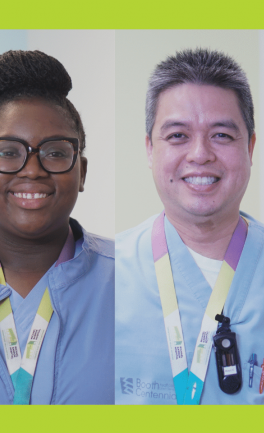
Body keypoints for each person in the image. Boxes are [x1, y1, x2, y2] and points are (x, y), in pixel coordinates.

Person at [0, 50, 115, 404]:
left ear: (81, 170)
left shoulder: (133, 280)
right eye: (8, 152)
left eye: (54, 152)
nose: (32, 170)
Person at [115, 48, 264, 404]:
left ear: (250, 147)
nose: (200, 154)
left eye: (222, 136)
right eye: (178, 136)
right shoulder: (102, 276)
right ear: (150, 149)